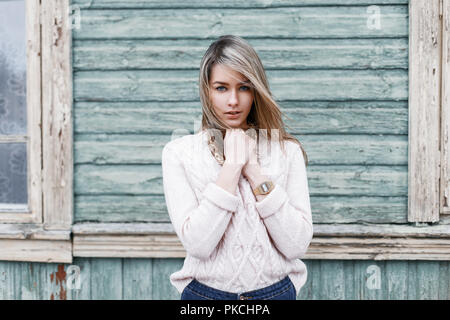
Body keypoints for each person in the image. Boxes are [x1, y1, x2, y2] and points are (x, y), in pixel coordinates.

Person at [161, 35, 313, 300]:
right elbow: (198, 244)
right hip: (204, 296)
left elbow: (296, 244)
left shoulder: (287, 152)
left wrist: (253, 169)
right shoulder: (179, 153)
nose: (233, 101)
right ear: (206, 90)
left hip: (275, 294)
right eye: (221, 88)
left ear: (256, 90)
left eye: (243, 87)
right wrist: (232, 166)